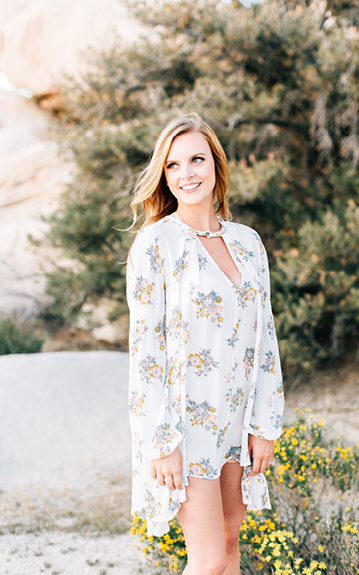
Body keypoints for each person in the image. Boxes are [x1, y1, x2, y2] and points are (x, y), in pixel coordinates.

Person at [126, 113, 284, 575]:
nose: (186, 173)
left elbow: (266, 336)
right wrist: (161, 442)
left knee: (231, 546)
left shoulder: (248, 242)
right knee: (209, 560)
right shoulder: (157, 244)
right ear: (164, 175)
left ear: (216, 164)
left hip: (235, 421)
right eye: (173, 165)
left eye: (196, 159)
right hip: (182, 424)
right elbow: (145, 353)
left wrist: (265, 423)